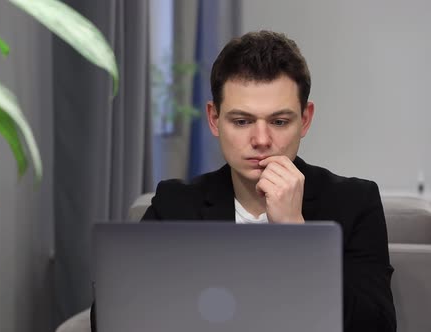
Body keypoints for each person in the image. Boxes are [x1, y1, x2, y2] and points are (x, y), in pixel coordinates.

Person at [91, 30, 396, 332]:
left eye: (279, 121)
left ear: (304, 119)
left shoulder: (355, 201)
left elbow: (375, 325)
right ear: (214, 119)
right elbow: (111, 314)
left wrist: (296, 236)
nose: (261, 140)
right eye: (241, 121)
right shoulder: (175, 203)